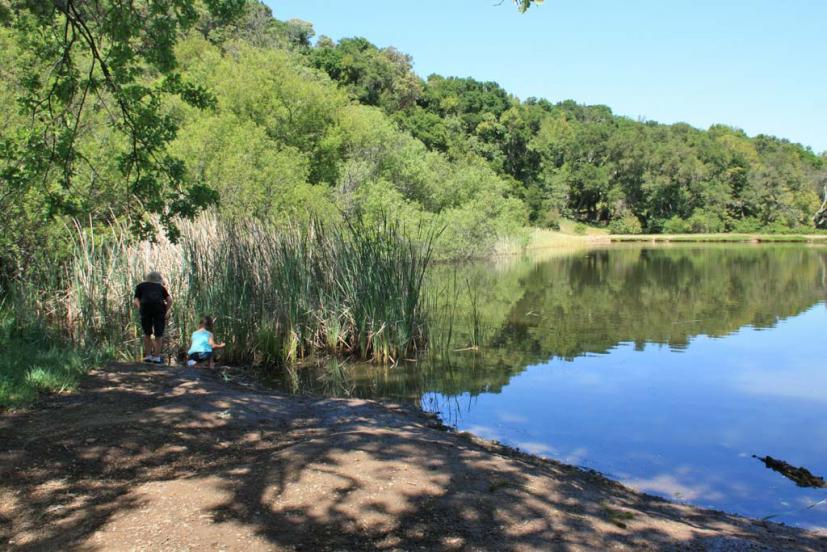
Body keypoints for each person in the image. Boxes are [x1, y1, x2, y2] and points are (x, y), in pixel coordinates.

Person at [133, 271, 172, 364]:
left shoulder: (140, 286)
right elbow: (169, 300)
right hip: (159, 309)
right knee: (159, 334)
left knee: (147, 333)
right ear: (159, 280)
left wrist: (140, 309)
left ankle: (148, 356)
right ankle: (156, 357)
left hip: (145, 308)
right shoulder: (161, 287)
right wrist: (166, 311)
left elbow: (135, 300)